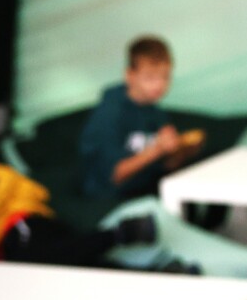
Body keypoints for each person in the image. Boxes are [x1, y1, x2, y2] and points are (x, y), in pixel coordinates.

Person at [0, 136, 156, 265]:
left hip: (23, 227)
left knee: (38, 261)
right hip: (15, 244)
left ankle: (120, 233)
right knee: (75, 264)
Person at [79, 35, 204, 201]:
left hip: (145, 187)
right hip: (108, 198)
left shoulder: (154, 110)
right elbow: (114, 175)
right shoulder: (109, 113)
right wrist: (158, 149)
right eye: (150, 77)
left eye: (165, 76)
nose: (159, 84)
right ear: (129, 75)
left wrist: (180, 151)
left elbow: (164, 165)